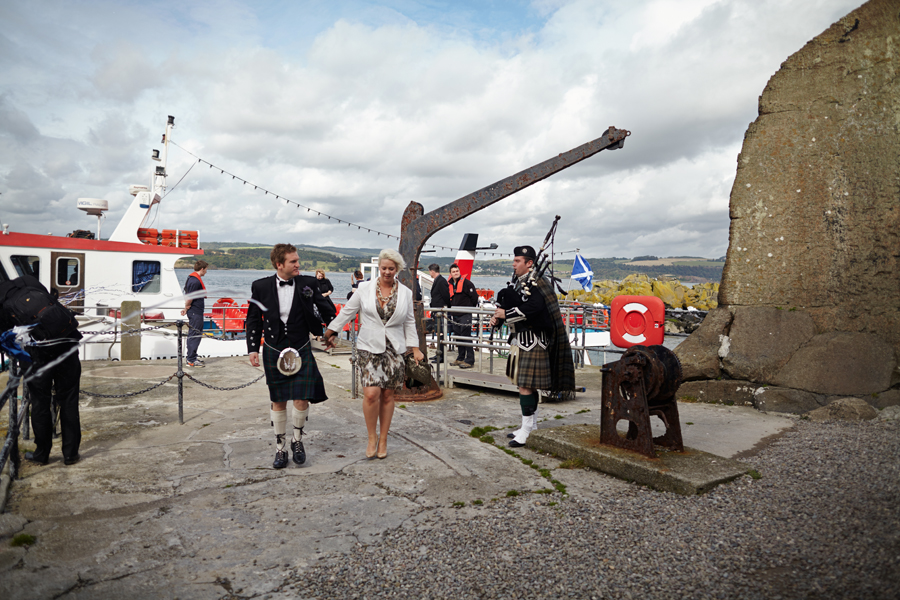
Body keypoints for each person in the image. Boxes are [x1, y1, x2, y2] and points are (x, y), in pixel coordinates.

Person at [323, 249, 423, 459]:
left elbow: (409, 321)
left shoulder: (405, 292)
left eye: (391, 268)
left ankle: (384, 438)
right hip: (369, 347)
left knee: (387, 395)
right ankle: (371, 437)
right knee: (370, 394)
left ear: (397, 269)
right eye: (384, 268)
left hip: (394, 349)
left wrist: (415, 348)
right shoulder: (364, 288)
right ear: (379, 268)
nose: (387, 272)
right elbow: (348, 311)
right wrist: (332, 330)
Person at [246, 244, 336, 469]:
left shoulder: (308, 284)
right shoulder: (261, 286)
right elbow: (254, 318)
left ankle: (297, 441)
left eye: (298, 260)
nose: (298, 265)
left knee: (301, 397)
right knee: (277, 400)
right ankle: (280, 447)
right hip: (274, 348)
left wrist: (332, 330)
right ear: (280, 264)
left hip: (301, 345)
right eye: (293, 262)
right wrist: (252, 348)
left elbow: (327, 309)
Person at [490, 245, 576, 448]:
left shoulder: (537, 282)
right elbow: (517, 305)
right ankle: (530, 425)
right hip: (522, 341)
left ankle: (527, 429)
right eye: (514, 260)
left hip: (534, 341)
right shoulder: (521, 282)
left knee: (525, 386)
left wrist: (507, 314)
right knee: (526, 385)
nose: (514, 264)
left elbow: (536, 307)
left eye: (517, 261)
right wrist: (500, 318)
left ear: (529, 263)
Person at [0, 275, 82, 465]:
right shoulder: (29, 281)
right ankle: (70, 453)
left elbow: (5, 338)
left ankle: (42, 454)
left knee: (39, 403)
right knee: (69, 400)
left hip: (36, 355)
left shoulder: (2, 301)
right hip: (66, 346)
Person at [447, 263, 478, 369]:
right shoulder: (450, 284)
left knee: (466, 337)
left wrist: (469, 309)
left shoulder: (467, 283)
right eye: (453, 272)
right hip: (455, 315)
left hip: (465, 314)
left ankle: (470, 360)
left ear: (459, 272)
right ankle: (460, 358)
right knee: (458, 337)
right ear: (450, 273)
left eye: (457, 271)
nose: (456, 273)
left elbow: (474, 298)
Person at [181, 260, 208, 368]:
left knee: (194, 334)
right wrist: (186, 307)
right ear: (202, 269)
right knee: (195, 334)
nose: (206, 271)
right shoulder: (195, 281)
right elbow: (190, 297)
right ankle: (191, 359)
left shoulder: (192, 279)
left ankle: (192, 357)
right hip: (195, 312)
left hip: (195, 311)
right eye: (206, 269)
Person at [427, 263, 451, 363]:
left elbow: (446, 295)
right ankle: (438, 353)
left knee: (441, 334)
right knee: (438, 333)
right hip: (437, 310)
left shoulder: (441, 281)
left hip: (440, 310)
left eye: (429, 271)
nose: (429, 273)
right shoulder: (438, 280)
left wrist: (445, 307)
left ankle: (441, 356)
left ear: (432, 271)